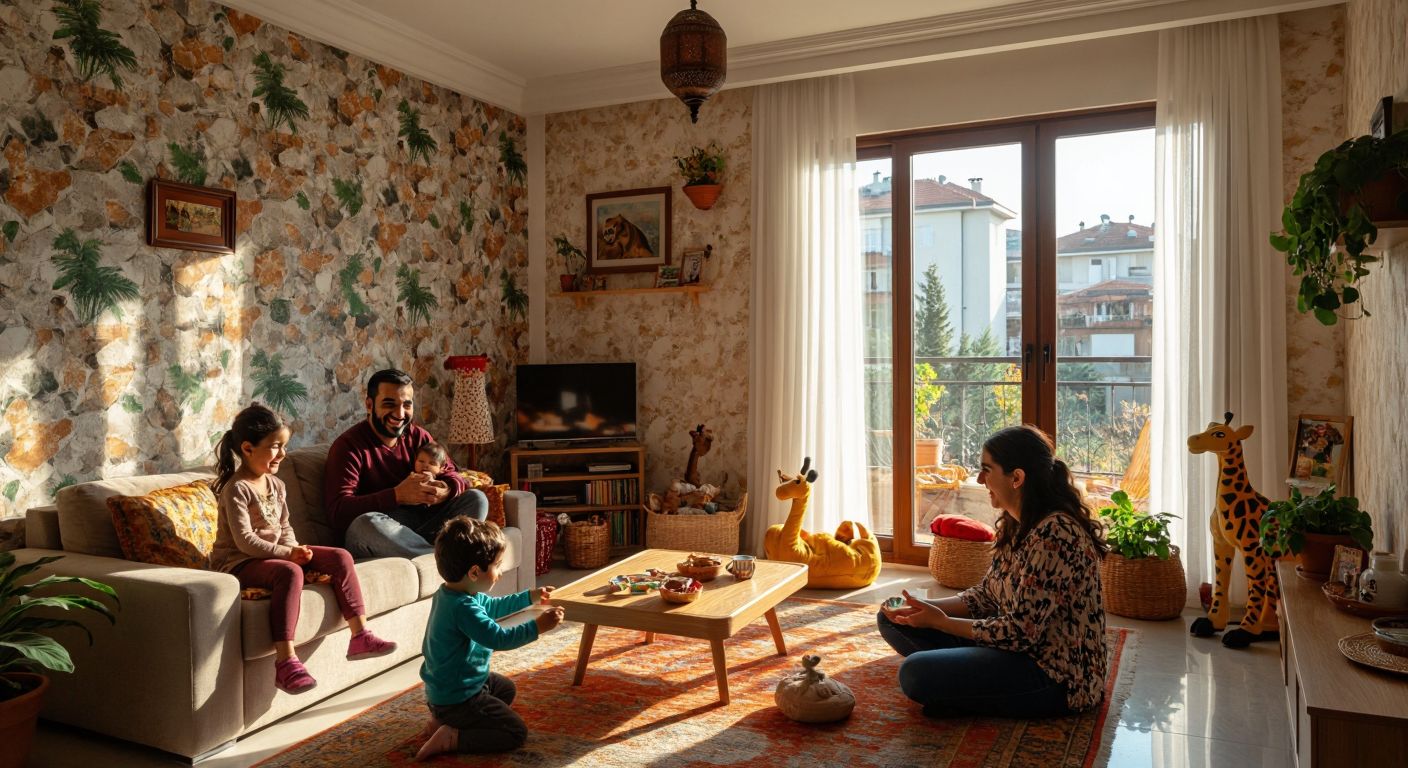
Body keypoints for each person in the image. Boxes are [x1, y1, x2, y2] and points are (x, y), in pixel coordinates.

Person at [877, 424, 1108, 718]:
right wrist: (925, 608)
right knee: (891, 616)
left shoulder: (1055, 535)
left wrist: (942, 622)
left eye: (987, 469)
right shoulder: (1018, 522)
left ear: (1017, 478)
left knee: (915, 674)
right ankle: (967, 689)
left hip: (1054, 676)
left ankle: (967, 692)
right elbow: (987, 594)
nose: (979, 479)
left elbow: (1021, 633)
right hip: (1008, 648)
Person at [210, 404, 397, 694]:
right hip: (239, 563)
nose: (283, 454)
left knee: (339, 557)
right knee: (288, 573)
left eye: (285, 446)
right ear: (247, 448)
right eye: (275, 447)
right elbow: (245, 540)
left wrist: (296, 549)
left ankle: (360, 635)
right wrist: (288, 556)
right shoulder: (237, 489)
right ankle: (285, 663)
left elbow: (284, 527)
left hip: (273, 555)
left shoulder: (276, 484)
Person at [415, 516, 563, 760]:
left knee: (506, 689)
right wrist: (538, 626)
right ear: (474, 572)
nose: (501, 571)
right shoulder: (463, 608)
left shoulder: (455, 593)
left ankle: (440, 720)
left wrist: (530, 597)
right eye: (497, 565)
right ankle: (453, 737)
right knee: (515, 732)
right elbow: (499, 638)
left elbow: (493, 606)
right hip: (458, 698)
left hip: (448, 689)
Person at [325, 369, 488, 558]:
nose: (400, 414)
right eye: (389, 404)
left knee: (476, 498)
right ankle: (442, 558)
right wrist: (397, 495)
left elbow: (454, 474)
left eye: (407, 405)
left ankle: (439, 554)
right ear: (369, 405)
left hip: (424, 524)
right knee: (365, 524)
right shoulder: (348, 447)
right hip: (382, 530)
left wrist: (445, 489)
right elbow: (337, 512)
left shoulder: (418, 436)